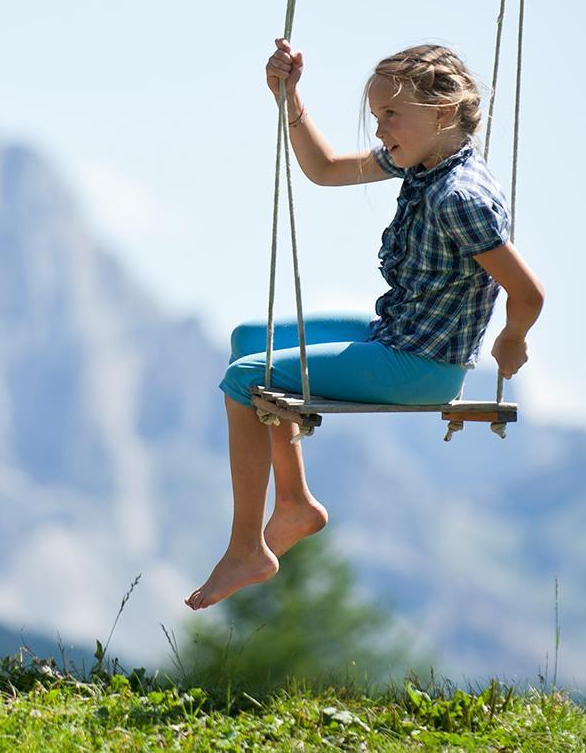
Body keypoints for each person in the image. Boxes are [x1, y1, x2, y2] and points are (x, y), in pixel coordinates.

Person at [186, 40, 546, 610]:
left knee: (244, 377)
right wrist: (290, 99)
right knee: (248, 340)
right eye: (377, 117)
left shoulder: (459, 196)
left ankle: (245, 548)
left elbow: (527, 292)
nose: (380, 130)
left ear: (443, 112)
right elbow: (325, 169)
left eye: (390, 115)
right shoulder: (425, 160)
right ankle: (296, 503)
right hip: (396, 336)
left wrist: (511, 339)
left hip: (421, 368)